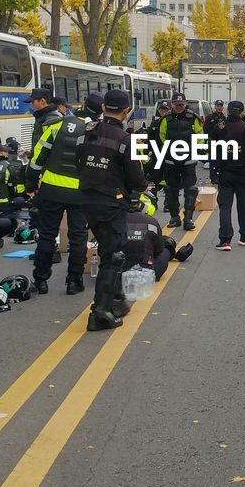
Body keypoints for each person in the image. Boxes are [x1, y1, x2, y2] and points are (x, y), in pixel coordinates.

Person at [75, 89, 147, 331]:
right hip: (112, 202)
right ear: (126, 111)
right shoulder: (128, 139)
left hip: (87, 200)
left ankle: (116, 299)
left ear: (103, 107)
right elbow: (137, 178)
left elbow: (77, 162)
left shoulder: (84, 133)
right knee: (113, 255)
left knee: (109, 250)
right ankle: (101, 312)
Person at [27, 101, 92, 295]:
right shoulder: (95, 130)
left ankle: (40, 280)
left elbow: (37, 158)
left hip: (52, 190)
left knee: (47, 234)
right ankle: (74, 281)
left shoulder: (57, 125)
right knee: (78, 237)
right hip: (80, 193)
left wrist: (30, 185)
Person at [209, 101, 245, 251]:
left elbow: (213, 149)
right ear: (242, 112)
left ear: (228, 111)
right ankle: (244, 235)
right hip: (243, 171)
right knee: (243, 205)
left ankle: (225, 240)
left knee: (225, 206)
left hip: (225, 171)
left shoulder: (219, 127)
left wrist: (214, 170)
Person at [156, 92, 203, 230]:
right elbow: (162, 137)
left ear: (185, 104)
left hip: (188, 160)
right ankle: (174, 217)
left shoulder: (192, 118)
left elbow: (200, 135)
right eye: (176, 105)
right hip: (171, 160)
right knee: (171, 190)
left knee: (190, 190)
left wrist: (190, 148)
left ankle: (188, 219)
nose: (179, 107)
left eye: (181, 104)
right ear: (172, 104)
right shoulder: (165, 119)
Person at [122, 191, 191, 280]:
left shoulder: (115, 221)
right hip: (146, 272)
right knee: (165, 251)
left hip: (121, 270)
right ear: (140, 204)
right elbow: (159, 250)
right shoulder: (151, 222)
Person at [146, 100, 171, 210]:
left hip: (169, 155)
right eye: (162, 109)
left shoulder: (171, 123)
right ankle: (153, 202)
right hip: (156, 155)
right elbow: (149, 139)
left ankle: (167, 204)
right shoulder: (154, 123)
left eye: (166, 109)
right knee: (154, 180)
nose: (163, 111)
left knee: (168, 181)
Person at [25, 87, 62, 158]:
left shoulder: (52, 119)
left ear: (42, 101)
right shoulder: (42, 116)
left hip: (46, 163)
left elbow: (52, 144)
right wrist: (31, 153)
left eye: (33, 102)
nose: (32, 105)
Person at [205, 100, 227, 185]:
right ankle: (213, 178)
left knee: (221, 160)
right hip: (213, 141)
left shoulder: (224, 118)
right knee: (213, 161)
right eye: (218, 106)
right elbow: (205, 129)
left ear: (222, 108)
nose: (219, 107)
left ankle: (219, 176)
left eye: (221, 106)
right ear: (215, 107)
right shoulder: (210, 117)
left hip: (221, 142)